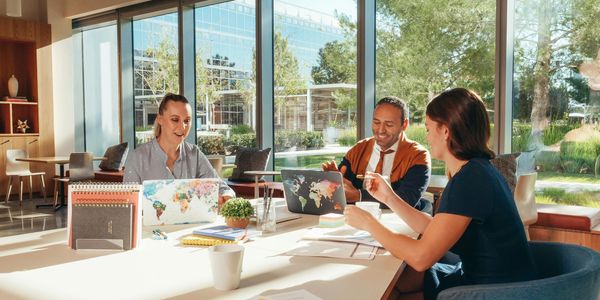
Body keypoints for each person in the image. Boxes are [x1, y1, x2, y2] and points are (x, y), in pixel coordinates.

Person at [344, 88, 536, 299]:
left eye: (428, 129)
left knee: (392, 286)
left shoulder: (469, 180)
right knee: (398, 281)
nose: (427, 137)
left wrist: (369, 223)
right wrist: (389, 197)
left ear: (446, 131)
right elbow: (435, 228)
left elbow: (420, 257)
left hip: (493, 292)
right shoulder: (479, 170)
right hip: (491, 280)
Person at [322, 96, 431, 212]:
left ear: (404, 124)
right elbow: (343, 191)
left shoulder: (418, 156)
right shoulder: (358, 149)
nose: (381, 130)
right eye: (376, 122)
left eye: (389, 124)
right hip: (359, 221)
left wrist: (357, 195)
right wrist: (335, 182)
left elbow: (406, 199)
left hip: (400, 223)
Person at [123, 93, 235, 204]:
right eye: (175, 119)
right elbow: (129, 205)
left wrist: (226, 196)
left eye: (187, 121)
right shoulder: (137, 158)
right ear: (160, 119)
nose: (182, 127)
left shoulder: (194, 154)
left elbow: (221, 188)